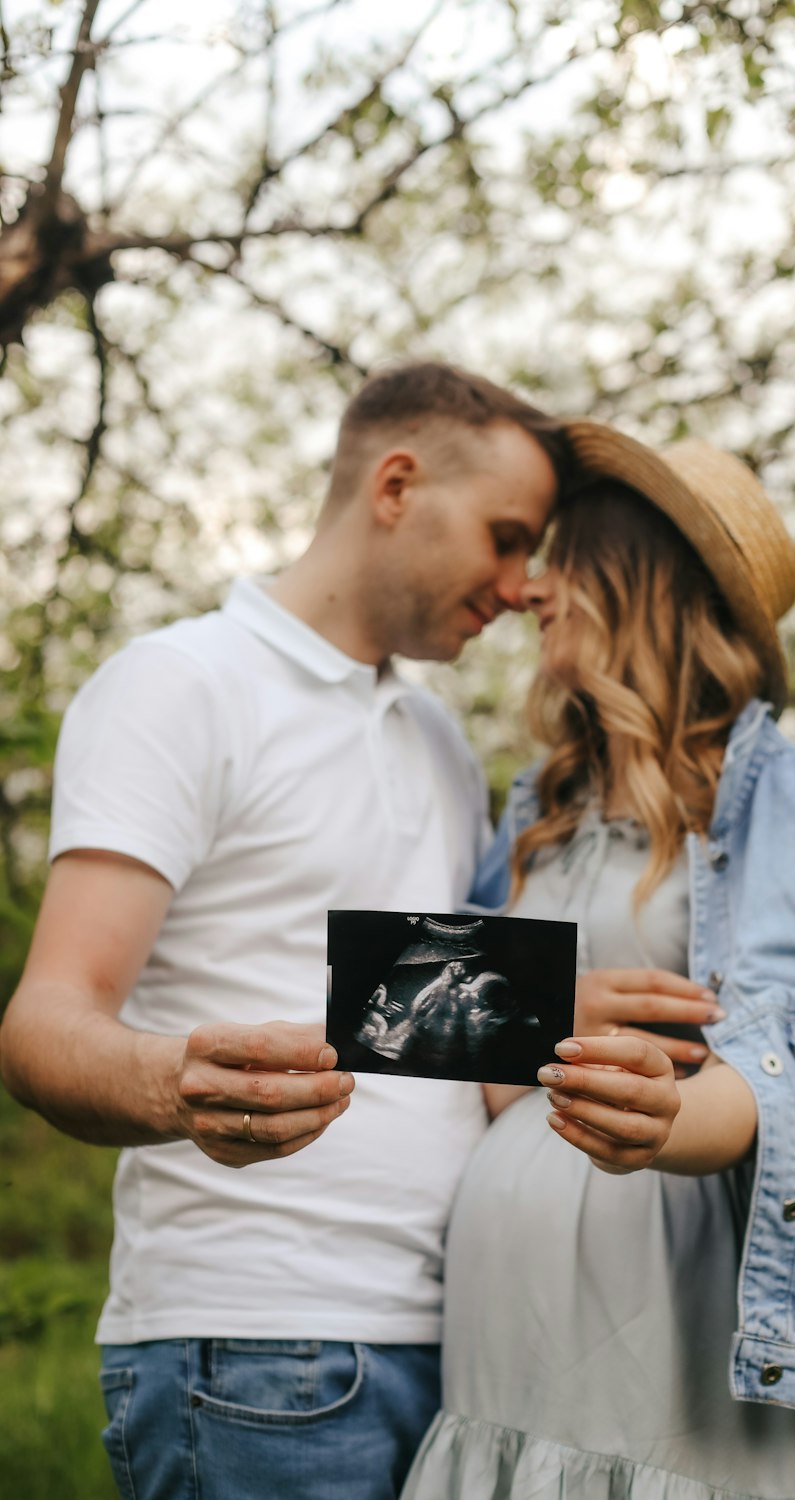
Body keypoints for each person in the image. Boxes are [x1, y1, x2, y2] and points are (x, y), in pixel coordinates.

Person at [0, 361, 570, 1500]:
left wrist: (585, 1025)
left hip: (462, 1347)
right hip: (259, 1356)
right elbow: (44, 1020)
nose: (520, 587)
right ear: (397, 484)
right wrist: (175, 1082)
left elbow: (399, 1014)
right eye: (507, 539)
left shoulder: (440, 739)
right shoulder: (181, 684)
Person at [403, 424, 795, 1500]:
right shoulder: (537, 809)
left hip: (674, 1349)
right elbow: (470, 1057)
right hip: (503, 1364)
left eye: (563, 556)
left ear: (638, 578)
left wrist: (666, 1121)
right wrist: (533, 1023)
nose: (533, 589)